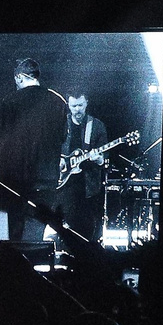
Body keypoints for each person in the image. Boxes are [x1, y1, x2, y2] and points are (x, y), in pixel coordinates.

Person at [0, 54, 72, 246]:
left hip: (15, 179)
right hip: (47, 180)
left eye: (15, 80)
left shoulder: (10, 101)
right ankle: (34, 269)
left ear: (20, 77)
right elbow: (64, 137)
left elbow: (0, 139)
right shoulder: (58, 102)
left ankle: (17, 271)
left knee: (15, 231)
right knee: (36, 232)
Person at [57, 90, 116, 243]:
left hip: (89, 186)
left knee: (89, 228)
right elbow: (49, 149)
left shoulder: (96, 126)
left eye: (80, 105)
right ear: (68, 105)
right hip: (64, 186)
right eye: (74, 105)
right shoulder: (61, 124)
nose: (77, 109)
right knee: (66, 228)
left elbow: (105, 160)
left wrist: (99, 160)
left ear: (86, 103)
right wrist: (59, 161)